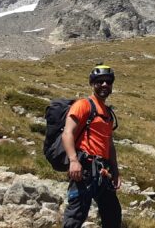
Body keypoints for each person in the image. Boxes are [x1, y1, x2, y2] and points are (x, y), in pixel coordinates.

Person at [62, 64, 121, 228]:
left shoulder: (108, 113)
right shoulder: (83, 105)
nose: (104, 85)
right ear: (92, 83)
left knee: (113, 216)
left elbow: (109, 144)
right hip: (84, 169)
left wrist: (115, 171)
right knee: (75, 216)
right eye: (99, 81)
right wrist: (73, 160)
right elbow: (67, 133)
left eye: (108, 82)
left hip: (104, 171)